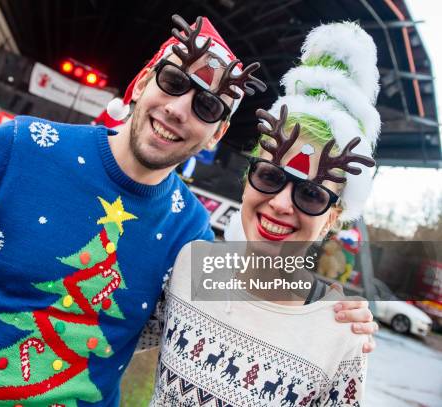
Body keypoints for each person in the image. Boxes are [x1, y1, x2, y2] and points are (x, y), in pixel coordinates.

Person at [0, 15, 374, 407]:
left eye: (207, 105)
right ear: (143, 81)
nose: (180, 109)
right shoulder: (16, 148)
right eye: (174, 82)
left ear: (219, 131)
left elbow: (261, 282)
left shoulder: (190, 231)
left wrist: (331, 303)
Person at [150, 22, 380, 406]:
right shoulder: (189, 265)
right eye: (271, 176)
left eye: (310, 194)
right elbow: (108, 329)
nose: (281, 203)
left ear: (332, 218)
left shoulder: (342, 336)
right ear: (247, 179)